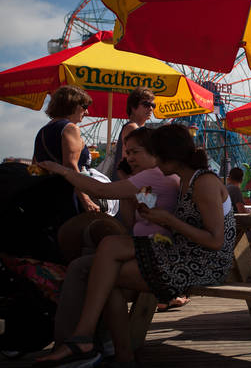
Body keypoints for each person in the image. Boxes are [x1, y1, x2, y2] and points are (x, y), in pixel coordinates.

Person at [35, 124, 236, 367]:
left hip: (204, 264)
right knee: (108, 267)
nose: (157, 162)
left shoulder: (203, 182)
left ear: (171, 155)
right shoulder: (184, 180)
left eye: (158, 155)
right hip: (183, 255)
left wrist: (169, 220)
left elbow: (216, 242)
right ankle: (102, 346)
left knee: (106, 260)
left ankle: (91, 342)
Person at [40, 127, 183, 348]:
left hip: (155, 252)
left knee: (84, 268)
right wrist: (128, 186)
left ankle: (75, 342)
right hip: (147, 249)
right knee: (92, 272)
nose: (129, 157)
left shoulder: (154, 174)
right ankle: (106, 346)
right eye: (128, 153)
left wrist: (64, 170)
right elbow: (138, 218)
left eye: (135, 152)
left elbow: (101, 191)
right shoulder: (152, 179)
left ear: (153, 152)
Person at [33, 85, 99, 213]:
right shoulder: (71, 128)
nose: (87, 112)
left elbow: (35, 167)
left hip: (47, 195)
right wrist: (86, 199)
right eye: (84, 107)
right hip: (68, 195)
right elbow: (70, 166)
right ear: (72, 105)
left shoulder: (43, 130)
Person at [111, 87, 155, 181]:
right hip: (128, 183)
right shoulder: (132, 128)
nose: (151, 108)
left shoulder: (137, 128)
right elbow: (130, 161)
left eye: (153, 105)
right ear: (133, 107)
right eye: (146, 104)